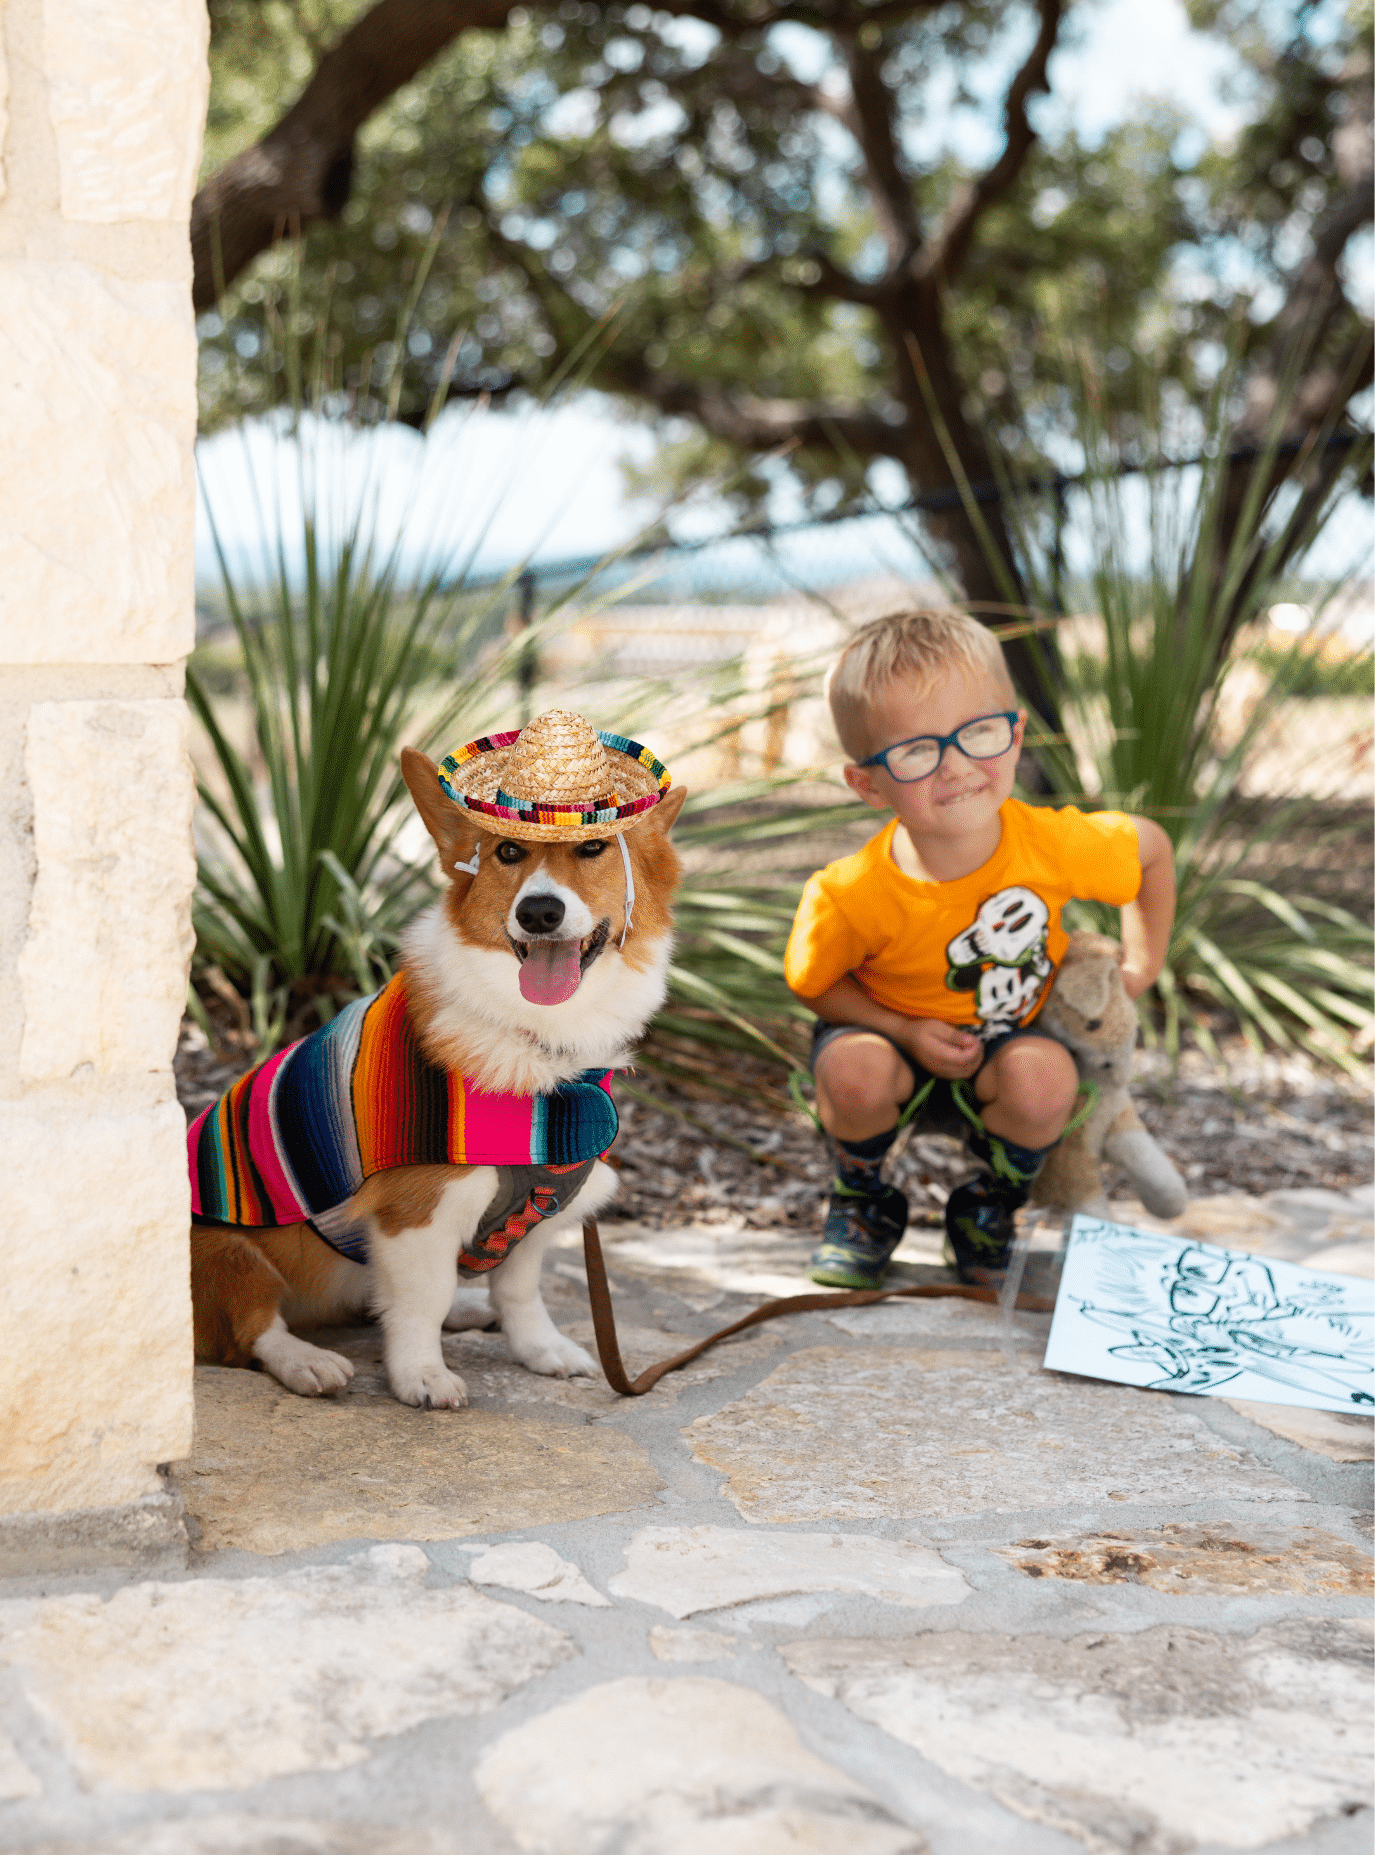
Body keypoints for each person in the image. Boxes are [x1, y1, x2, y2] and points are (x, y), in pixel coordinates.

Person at [784, 609, 1176, 1290]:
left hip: (1005, 1043)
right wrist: (902, 1026)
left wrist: (1143, 965)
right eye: (914, 749)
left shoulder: (1050, 843)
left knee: (1045, 1079)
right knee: (851, 1068)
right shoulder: (849, 891)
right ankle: (864, 1201)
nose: (957, 766)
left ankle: (989, 1207)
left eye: (980, 732)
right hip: (893, 1043)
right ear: (866, 784)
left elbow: (1150, 849)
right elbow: (812, 984)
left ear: (1015, 733)